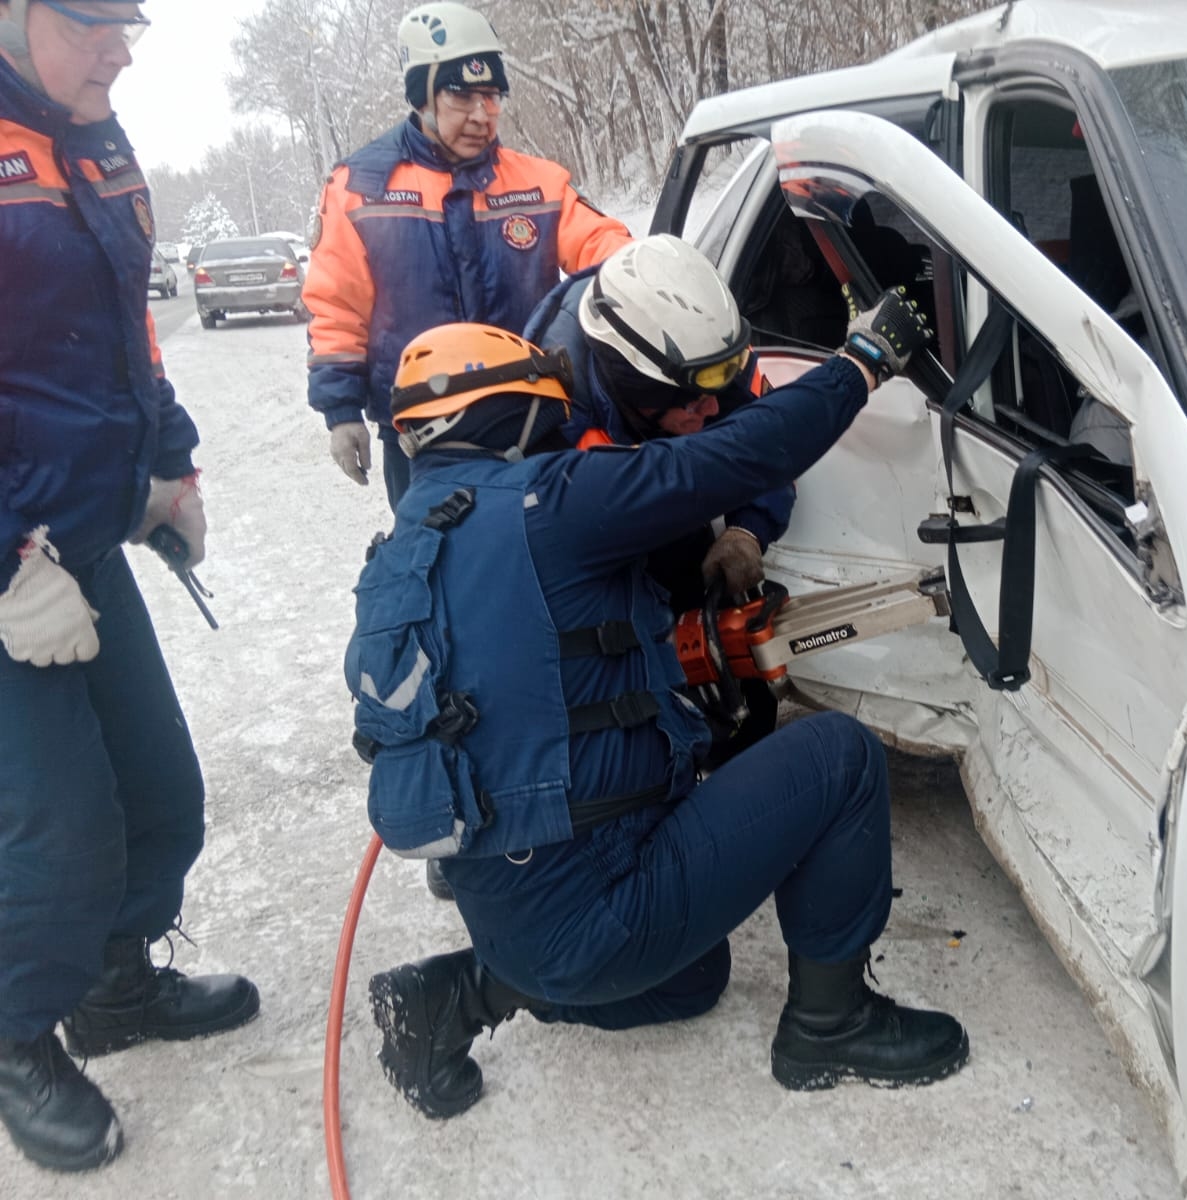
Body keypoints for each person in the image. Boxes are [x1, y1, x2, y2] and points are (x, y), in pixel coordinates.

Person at [348, 265, 967, 1120]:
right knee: (840, 758)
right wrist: (861, 361)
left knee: (691, 976)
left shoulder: (403, 553)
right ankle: (832, 1027)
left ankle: (458, 994)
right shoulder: (548, 505)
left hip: (508, 904)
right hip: (590, 904)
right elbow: (741, 452)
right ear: (512, 413)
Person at [0, 0, 258, 1174]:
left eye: (133, 22)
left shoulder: (97, 141)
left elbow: (127, 335)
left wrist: (167, 466)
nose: (120, 48)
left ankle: (115, 985)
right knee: (52, 826)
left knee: (159, 788)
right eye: (94, 20)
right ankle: (15, 1035)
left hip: (86, 539)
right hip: (15, 557)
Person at [303, 0, 632, 513]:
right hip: (420, 432)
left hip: (530, 418)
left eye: (492, 96)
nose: (482, 115)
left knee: (540, 550)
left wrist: (648, 277)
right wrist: (341, 412)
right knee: (438, 554)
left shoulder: (539, 183)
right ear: (422, 96)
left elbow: (608, 251)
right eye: (461, 95)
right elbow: (336, 308)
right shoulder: (360, 187)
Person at [522, 234, 793, 759]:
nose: (712, 410)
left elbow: (772, 444)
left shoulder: (708, 344)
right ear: (637, 392)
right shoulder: (551, 416)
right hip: (592, 536)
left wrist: (747, 528)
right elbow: (555, 561)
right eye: (692, 404)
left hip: (651, 477)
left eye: (716, 394)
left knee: (729, 665)